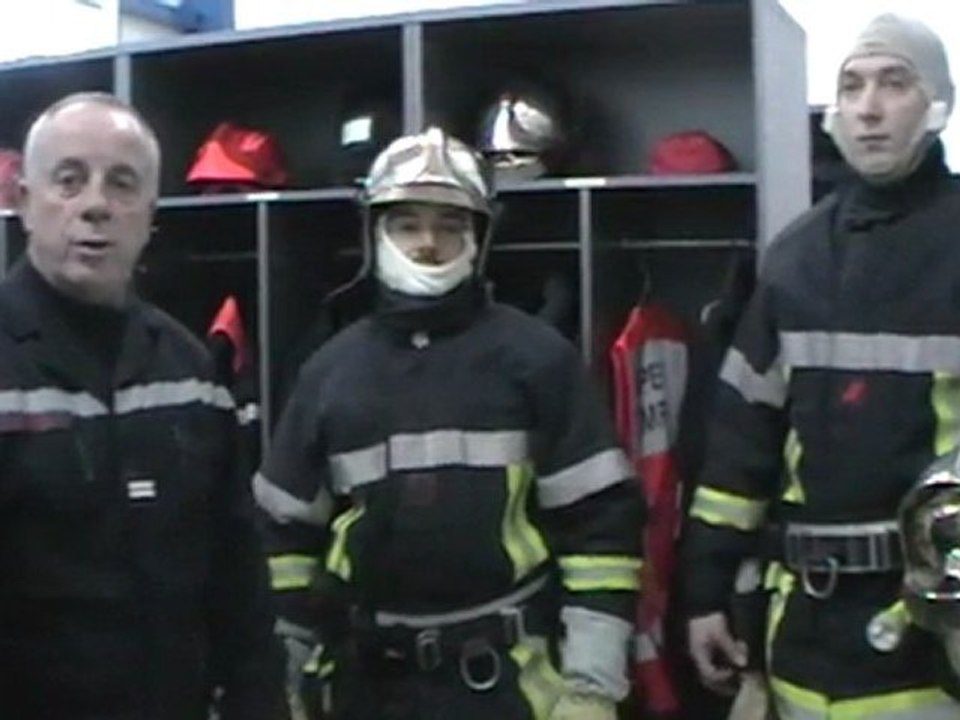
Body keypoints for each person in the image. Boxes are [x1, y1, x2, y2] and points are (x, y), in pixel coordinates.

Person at [254, 126, 643, 720]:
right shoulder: (328, 372)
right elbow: (283, 541)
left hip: (508, 684)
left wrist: (591, 688)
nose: (429, 244)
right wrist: (277, 683)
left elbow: (602, 532)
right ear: (374, 233)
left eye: (450, 224)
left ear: (480, 236)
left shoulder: (538, 359)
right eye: (407, 224)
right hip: (365, 688)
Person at [683, 13, 960, 720]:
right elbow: (740, 447)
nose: (868, 107)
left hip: (938, 642)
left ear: (939, 105)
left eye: (894, 84)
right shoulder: (794, 260)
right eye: (852, 86)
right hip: (803, 635)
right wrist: (706, 591)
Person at [0, 91, 285, 719]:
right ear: (23, 201)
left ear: (151, 213)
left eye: (121, 184)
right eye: (69, 181)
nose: (95, 206)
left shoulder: (191, 369)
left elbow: (237, 582)